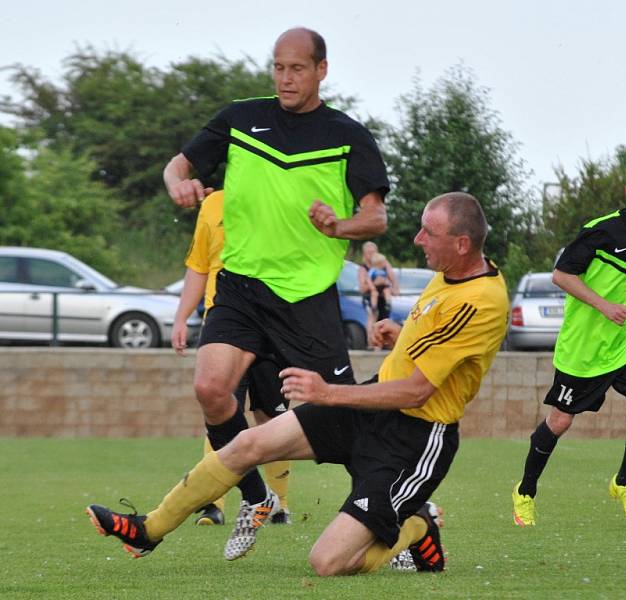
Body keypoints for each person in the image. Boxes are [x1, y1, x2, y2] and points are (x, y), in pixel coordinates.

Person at [85, 192, 509, 576]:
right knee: (247, 445)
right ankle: (148, 529)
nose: (418, 239)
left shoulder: (480, 300)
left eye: (428, 233)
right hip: (370, 407)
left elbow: (419, 390)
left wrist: (326, 392)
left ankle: (418, 524)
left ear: (462, 244)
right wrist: (400, 335)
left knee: (328, 563)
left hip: (413, 439)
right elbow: (440, 345)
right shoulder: (450, 273)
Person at [158, 27, 389, 560]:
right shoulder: (240, 118)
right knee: (211, 391)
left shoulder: (348, 134)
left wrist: (340, 226)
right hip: (239, 286)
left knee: (338, 420)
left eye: (298, 69)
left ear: (321, 71)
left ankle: (392, 514)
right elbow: (180, 164)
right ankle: (256, 495)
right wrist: (177, 182)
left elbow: (375, 216)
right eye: (279, 68)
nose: (286, 78)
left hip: (306, 296)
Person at [512, 158, 626, 527]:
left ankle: (623, 483)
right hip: (583, 346)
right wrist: (604, 306)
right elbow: (560, 275)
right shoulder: (600, 231)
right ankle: (525, 490)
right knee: (560, 421)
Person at [171, 190, 293, 526]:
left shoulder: (278, 194)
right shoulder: (212, 205)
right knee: (221, 412)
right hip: (224, 327)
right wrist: (181, 318)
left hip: (272, 323)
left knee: (273, 416)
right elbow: (198, 266)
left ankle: (279, 502)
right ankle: (214, 503)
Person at [367, 252, 397, 320]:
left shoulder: (384, 271)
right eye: (383, 262)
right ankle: (373, 306)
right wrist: (372, 287)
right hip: (376, 287)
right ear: (378, 263)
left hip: (384, 286)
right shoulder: (373, 270)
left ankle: (388, 303)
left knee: (387, 291)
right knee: (374, 294)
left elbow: (387, 279)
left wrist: (389, 284)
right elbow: (368, 279)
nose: (384, 264)